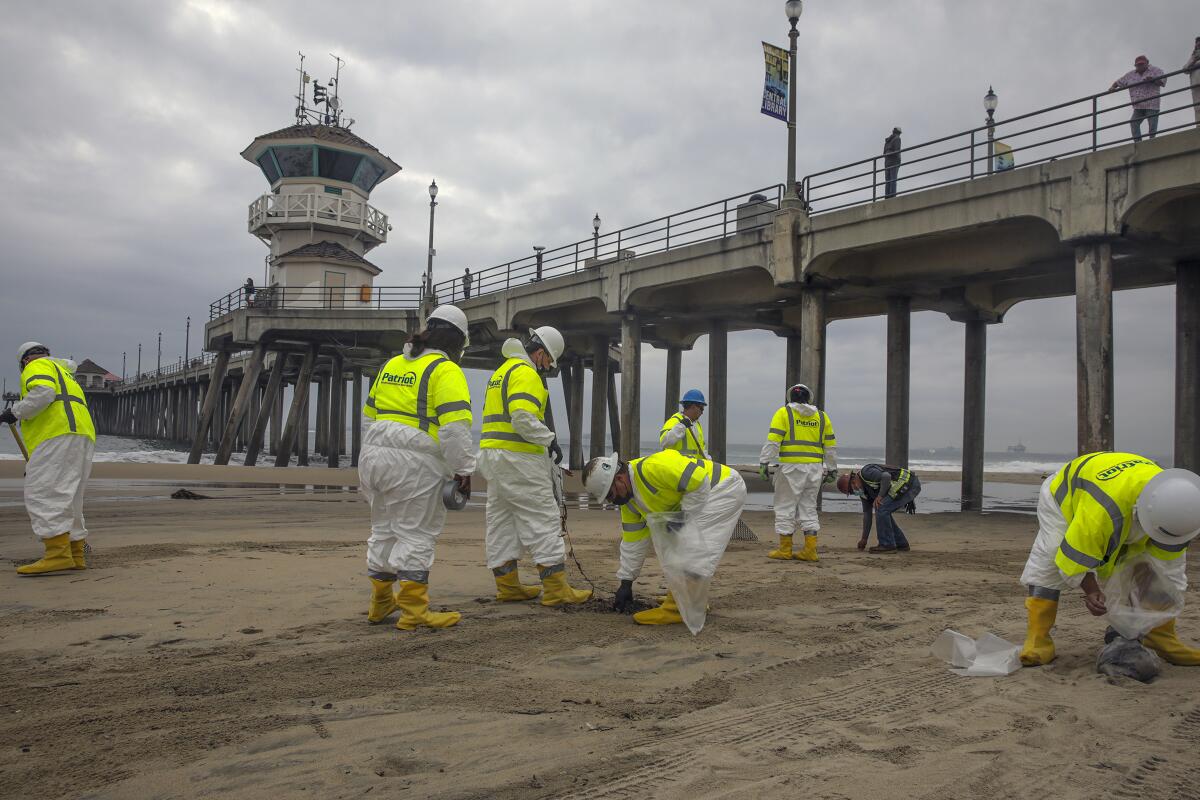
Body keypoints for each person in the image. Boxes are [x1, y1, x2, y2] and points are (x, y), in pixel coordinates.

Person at [1017, 452, 1200, 667]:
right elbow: (1073, 558)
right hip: (1064, 494)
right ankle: (1038, 640)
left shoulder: (1183, 509)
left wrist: (1153, 610)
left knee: (1158, 571)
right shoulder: (1101, 513)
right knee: (1049, 557)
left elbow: (1167, 571)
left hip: (1125, 490)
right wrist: (1092, 590)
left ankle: (1161, 637)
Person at [359, 305, 474, 630]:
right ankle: (413, 611)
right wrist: (464, 469)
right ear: (457, 342)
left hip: (373, 456)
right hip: (414, 462)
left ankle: (380, 603)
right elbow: (454, 428)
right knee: (417, 534)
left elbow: (369, 416)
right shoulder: (446, 370)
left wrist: (372, 454)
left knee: (382, 531)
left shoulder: (393, 364)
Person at [478, 325, 592, 606]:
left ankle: (507, 586)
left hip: (493, 457)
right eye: (549, 361)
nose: (549, 367)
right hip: (519, 459)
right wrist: (550, 440)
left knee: (501, 522)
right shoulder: (526, 373)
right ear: (539, 353)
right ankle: (556, 590)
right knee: (543, 518)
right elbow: (522, 417)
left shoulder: (502, 372)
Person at [583, 449, 746, 625]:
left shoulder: (653, 468)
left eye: (610, 495)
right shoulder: (630, 503)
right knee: (673, 545)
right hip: (700, 494)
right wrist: (626, 582)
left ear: (620, 479)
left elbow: (700, 481)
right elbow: (633, 541)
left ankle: (675, 609)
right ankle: (687, 599)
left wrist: (684, 516)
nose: (611, 502)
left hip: (722, 488)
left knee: (692, 546)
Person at [1, 343, 96, 575]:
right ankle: (75, 554)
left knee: (44, 492)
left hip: (57, 435)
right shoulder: (63, 372)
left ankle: (57, 554)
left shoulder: (37, 365)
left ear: (24, 360)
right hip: (81, 435)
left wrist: (14, 412)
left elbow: (43, 393)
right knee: (70, 496)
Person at [759, 383, 837, 562]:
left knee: (785, 505)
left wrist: (764, 462)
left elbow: (773, 441)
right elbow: (830, 447)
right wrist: (832, 468)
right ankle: (810, 551)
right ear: (808, 398)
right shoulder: (822, 417)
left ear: (790, 398)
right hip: (814, 469)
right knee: (808, 507)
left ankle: (785, 550)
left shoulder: (784, 413)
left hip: (790, 468)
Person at [835, 464, 921, 554]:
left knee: (881, 507)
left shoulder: (866, 472)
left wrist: (880, 496)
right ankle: (901, 544)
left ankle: (887, 544)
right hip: (905, 485)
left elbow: (886, 476)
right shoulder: (864, 494)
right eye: (851, 493)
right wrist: (864, 539)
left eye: (852, 491)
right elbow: (867, 515)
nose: (854, 493)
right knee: (882, 510)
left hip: (908, 482)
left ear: (853, 481)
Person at [1110, 55, 1167, 141]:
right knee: (1134, 123)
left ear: (1147, 63)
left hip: (1152, 104)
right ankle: (1138, 142)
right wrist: (1112, 87)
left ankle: (1152, 142)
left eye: (1142, 64)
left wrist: (1153, 79)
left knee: (1152, 126)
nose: (1140, 66)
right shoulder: (1130, 75)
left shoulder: (1156, 70)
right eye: (1138, 65)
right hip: (1138, 105)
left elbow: (1162, 82)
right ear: (1135, 66)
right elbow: (1118, 82)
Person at [658, 389, 708, 460]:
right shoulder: (675, 421)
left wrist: (708, 462)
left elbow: (702, 449)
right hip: (677, 468)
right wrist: (681, 427)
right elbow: (664, 442)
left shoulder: (697, 425)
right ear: (693, 406)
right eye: (701, 409)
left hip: (692, 468)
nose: (702, 412)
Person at [1185, 36, 1200, 127]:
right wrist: (1194, 60)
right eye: (1197, 42)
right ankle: (1198, 126)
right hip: (1195, 84)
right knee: (1198, 107)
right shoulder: (1193, 56)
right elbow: (1185, 69)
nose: (1198, 44)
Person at [883, 127, 902, 198]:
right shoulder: (897, 139)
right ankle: (892, 196)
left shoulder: (887, 141)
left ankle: (887, 196)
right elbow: (897, 151)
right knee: (893, 179)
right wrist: (899, 161)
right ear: (898, 133)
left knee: (888, 180)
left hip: (887, 162)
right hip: (894, 162)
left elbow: (884, 153)